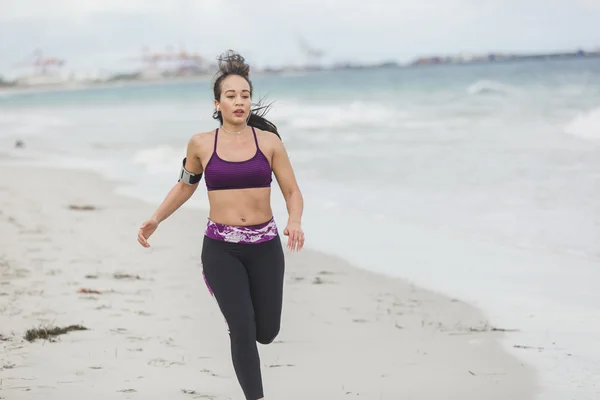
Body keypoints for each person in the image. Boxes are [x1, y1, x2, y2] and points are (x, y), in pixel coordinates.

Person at [137, 50, 304, 400]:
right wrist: (155, 218)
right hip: (221, 249)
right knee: (242, 326)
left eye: (245, 95)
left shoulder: (270, 143)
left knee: (267, 331)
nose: (239, 102)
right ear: (217, 103)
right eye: (231, 96)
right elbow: (185, 185)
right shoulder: (201, 144)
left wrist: (294, 221)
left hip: (265, 247)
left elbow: (292, 191)